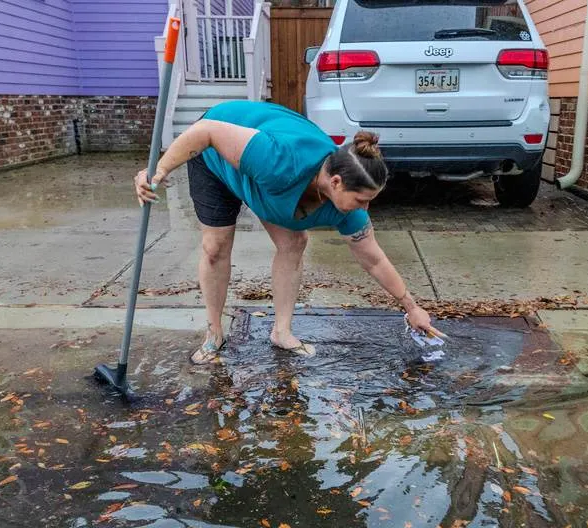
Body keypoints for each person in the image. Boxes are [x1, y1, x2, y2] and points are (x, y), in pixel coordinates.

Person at [135, 100, 444, 364]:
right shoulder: (281, 160)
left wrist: (412, 307)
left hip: (266, 179)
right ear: (336, 182)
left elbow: (373, 259)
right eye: (361, 200)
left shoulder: (342, 203)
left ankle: (281, 332)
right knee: (216, 246)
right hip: (214, 153)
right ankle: (214, 333)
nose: (364, 208)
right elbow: (206, 132)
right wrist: (159, 171)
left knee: (294, 241)